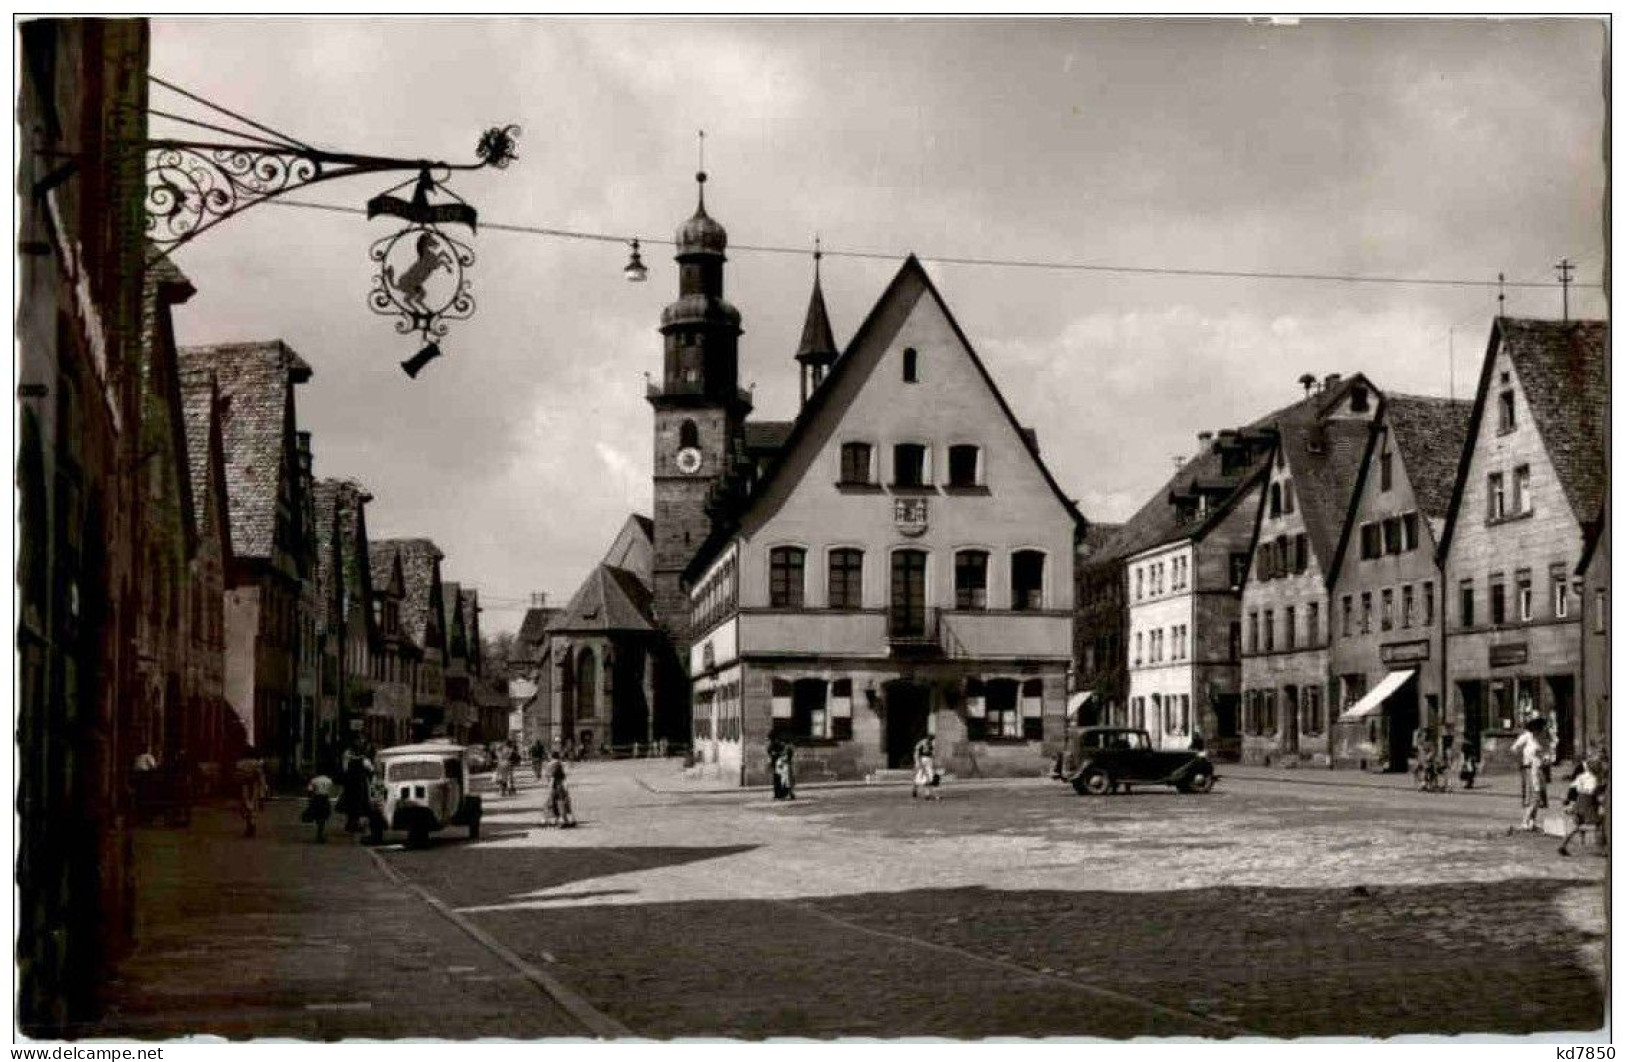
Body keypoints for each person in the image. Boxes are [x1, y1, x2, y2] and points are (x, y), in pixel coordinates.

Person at [1509, 716, 1555, 834]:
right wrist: (1522, 760)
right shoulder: (1527, 736)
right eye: (1535, 729)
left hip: (1540, 769)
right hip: (1529, 769)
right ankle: (1525, 822)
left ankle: (1531, 822)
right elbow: (1514, 748)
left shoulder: (1544, 738)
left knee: (1538, 797)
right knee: (1533, 797)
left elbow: (1549, 752)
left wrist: (1546, 758)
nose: (1537, 731)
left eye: (1539, 729)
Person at [1558, 758, 1605, 857]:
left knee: (1575, 826)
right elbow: (1591, 792)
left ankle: (1562, 846)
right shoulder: (1595, 779)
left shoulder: (1581, 776)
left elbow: (1574, 786)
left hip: (1579, 801)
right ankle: (1600, 849)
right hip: (1588, 802)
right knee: (1600, 824)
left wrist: (1567, 799)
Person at [340, 739, 373, 833]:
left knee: (350, 803)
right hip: (360, 784)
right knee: (360, 804)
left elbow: (344, 769)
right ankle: (355, 823)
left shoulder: (347, 756)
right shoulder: (363, 759)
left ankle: (350, 823)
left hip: (350, 784)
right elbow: (371, 769)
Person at [233, 747, 267, 838]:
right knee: (253, 805)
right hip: (254, 786)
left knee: (245, 804)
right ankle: (252, 822)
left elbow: (236, 777)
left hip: (244, 786)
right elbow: (261, 776)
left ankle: (249, 823)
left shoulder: (239, 764)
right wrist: (263, 789)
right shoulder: (256, 763)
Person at [544, 749, 577, 828]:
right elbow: (563, 777)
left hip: (556, 786)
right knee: (562, 803)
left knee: (554, 804)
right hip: (560, 786)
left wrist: (550, 787)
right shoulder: (559, 764)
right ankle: (567, 819)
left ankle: (557, 820)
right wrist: (566, 787)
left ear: (551, 756)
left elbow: (552, 777)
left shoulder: (552, 765)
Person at [303, 770, 337, 843]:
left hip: (317, 798)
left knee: (318, 816)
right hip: (325, 799)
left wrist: (310, 800)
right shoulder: (329, 780)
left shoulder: (314, 780)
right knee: (323, 816)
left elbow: (309, 790)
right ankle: (320, 833)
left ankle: (319, 834)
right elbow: (332, 791)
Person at [912, 734, 941, 801]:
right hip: (922, 760)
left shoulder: (932, 744)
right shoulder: (922, 743)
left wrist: (934, 763)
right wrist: (917, 762)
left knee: (929, 777)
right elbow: (917, 752)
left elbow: (933, 754)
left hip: (928, 761)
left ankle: (927, 794)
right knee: (921, 776)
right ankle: (917, 790)